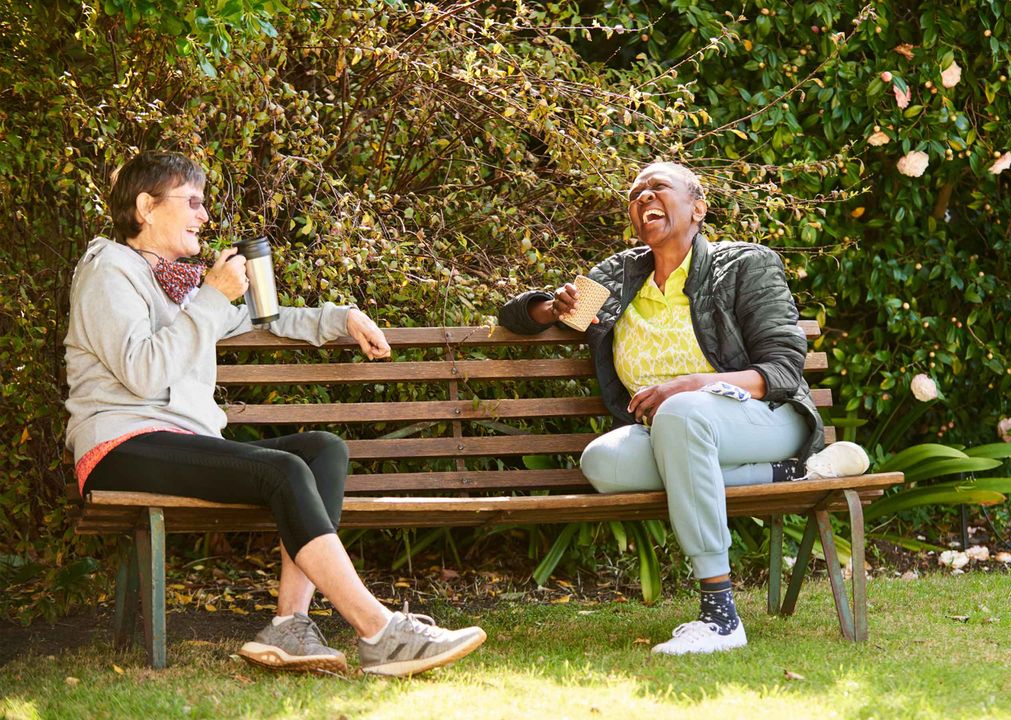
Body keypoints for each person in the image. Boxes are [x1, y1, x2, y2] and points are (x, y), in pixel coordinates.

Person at [65, 151, 486, 677]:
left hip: (179, 441)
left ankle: (290, 625)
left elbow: (264, 320)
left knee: (321, 450)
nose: (203, 216)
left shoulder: (173, 282)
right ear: (147, 207)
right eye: (192, 202)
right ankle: (379, 631)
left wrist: (340, 317)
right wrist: (211, 298)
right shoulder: (108, 270)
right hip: (119, 445)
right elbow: (145, 372)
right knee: (281, 470)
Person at [498, 161, 866, 655]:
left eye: (658, 188)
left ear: (698, 207)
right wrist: (549, 309)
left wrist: (691, 386)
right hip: (668, 432)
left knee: (682, 412)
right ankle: (790, 474)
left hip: (760, 417)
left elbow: (782, 369)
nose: (644, 197)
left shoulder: (745, 264)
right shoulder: (618, 275)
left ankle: (720, 614)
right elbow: (517, 316)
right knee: (602, 461)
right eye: (635, 194)